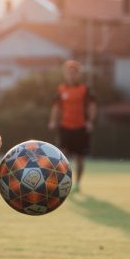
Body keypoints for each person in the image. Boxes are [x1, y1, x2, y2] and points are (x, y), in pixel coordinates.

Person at [48, 60, 97, 192]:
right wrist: (53, 121)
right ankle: (62, 182)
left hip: (81, 128)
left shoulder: (84, 90)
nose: (71, 75)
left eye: (74, 73)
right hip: (65, 127)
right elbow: (56, 107)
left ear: (78, 74)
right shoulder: (60, 89)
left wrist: (90, 122)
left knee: (80, 158)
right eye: (69, 73)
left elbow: (92, 106)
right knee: (62, 156)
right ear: (65, 74)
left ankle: (78, 183)